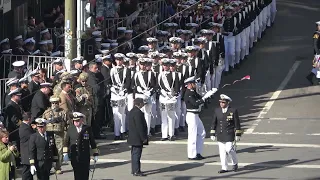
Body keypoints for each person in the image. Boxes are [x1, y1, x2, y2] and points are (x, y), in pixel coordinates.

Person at [183, 76, 216, 160]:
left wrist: (209, 94)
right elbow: (195, 103)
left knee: (202, 133)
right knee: (192, 135)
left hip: (196, 115)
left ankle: (198, 152)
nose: (195, 85)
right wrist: (205, 97)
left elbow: (200, 98)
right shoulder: (188, 93)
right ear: (190, 84)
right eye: (194, 83)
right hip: (191, 115)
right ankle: (191, 155)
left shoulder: (193, 92)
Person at [210, 94, 242, 173]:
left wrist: (238, 134)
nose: (221, 104)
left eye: (223, 102)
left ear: (228, 103)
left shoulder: (233, 111)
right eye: (220, 102)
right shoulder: (217, 110)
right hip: (220, 133)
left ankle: (234, 163)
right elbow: (214, 122)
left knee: (229, 150)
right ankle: (224, 167)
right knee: (222, 152)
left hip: (229, 133)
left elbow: (237, 123)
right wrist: (212, 133)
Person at [63, 112, 99, 180]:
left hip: (85, 155)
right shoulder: (70, 129)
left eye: (78, 120)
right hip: (75, 155)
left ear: (82, 120)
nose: (76, 122)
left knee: (85, 173)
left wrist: (95, 153)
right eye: (74, 121)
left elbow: (92, 141)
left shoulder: (87, 128)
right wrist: (65, 153)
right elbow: (66, 142)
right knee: (77, 173)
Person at [42, 96, 67, 174]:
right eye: (53, 103)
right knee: (49, 151)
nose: (54, 105)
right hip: (50, 133)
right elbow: (42, 123)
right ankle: (48, 167)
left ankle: (58, 167)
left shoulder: (63, 112)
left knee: (59, 150)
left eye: (56, 103)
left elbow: (67, 123)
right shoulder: (47, 112)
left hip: (59, 133)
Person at [127, 98, 148, 177]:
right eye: (142, 103)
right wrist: (143, 138)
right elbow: (140, 126)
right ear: (139, 104)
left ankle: (134, 170)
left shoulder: (132, 111)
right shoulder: (138, 113)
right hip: (137, 137)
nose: (143, 104)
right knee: (136, 155)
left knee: (134, 154)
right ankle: (136, 171)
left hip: (133, 136)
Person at [19, 112, 35, 180]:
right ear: (28, 119)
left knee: (29, 172)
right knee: (26, 172)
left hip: (27, 152)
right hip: (26, 152)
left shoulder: (26, 126)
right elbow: (32, 137)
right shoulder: (24, 128)